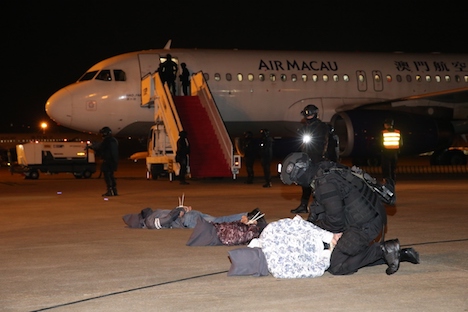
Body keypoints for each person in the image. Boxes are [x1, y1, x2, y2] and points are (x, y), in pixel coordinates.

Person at [280, 153, 420, 276]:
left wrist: (318, 230)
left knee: (336, 265)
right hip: (370, 215)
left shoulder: (324, 184)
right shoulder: (322, 170)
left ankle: (382, 250)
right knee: (344, 256)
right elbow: (320, 206)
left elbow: (335, 222)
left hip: (366, 225)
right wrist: (310, 225)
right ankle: (397, 254)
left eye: (295, 181)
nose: (296, 183)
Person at [291, 104, 329, 213]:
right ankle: (304, 205)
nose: (308, 117)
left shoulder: (321, 126)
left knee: (317, 184)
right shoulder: (306, 127)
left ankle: (319, 207)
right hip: (307, 157)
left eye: (310, 114)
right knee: (305, 182)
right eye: (306, 114)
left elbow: (325, 142)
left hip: (317, 158)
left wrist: (323, 157)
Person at [122, 205, 264, 230]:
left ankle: (249, 218)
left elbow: (167, 220)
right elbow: (167, 217)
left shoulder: (150, 221)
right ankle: (247, 215)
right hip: (190, 216)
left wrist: (179, 210)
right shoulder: (152, 216)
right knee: (219, 220)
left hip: (188, 220)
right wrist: (181, 209)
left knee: (218, 223)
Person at [91, 126, 119, 196]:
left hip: (108, 161)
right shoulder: (113, 140)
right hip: (112, 161)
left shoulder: (107, 141)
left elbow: (101, 149)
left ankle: (110, 190)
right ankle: (114, 190)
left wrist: (93, 147)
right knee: (111, 175)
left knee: (108, 176)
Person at [381, 118, 402, 184]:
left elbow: (380, 143)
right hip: (395, 153)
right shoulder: (397, 132)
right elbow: (401, 143)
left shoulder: (383, 133)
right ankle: (393, 181)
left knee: (386, 168)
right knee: (393, 168)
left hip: (386, 152)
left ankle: (387, 181)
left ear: (386, 125)